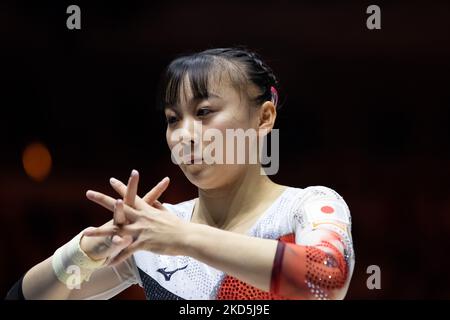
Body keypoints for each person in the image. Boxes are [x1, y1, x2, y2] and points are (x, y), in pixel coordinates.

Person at [6, 47, 355, 300]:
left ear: (264, 118)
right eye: (173, 119)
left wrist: (184, 237)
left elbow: (323, 277)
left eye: (204, 112)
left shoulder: (306, 206)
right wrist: (90, 247)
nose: (184, 134)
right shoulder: (154, 232)